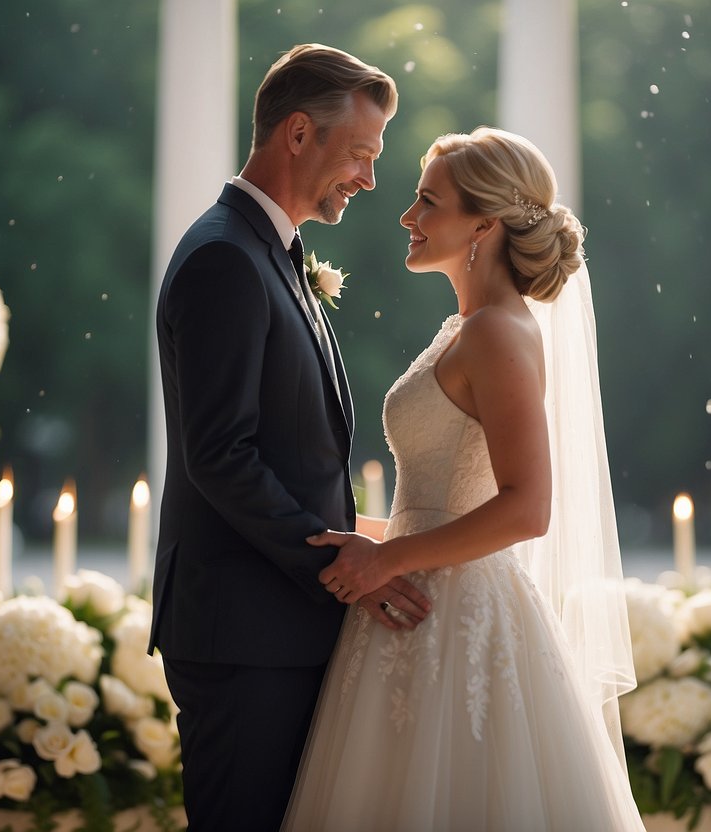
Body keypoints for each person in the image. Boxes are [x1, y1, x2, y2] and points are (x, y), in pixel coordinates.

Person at [282, 127, 646, 831]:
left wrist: (386, 559)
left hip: (456, 621)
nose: (406, 217)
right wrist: (358, 534)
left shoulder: (497, 334)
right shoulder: (464, 328)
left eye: (427, 202)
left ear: (483, 223)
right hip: (411, 605)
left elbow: (525, 509)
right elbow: (445, 503)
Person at [148, 44, 432, 831]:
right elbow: (221, 454)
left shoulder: (269, 253)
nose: (369, 180)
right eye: (360, 156)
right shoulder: (223, 259)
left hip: (276, 627)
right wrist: (343, 566)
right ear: (298, 134)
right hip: (244, 636)